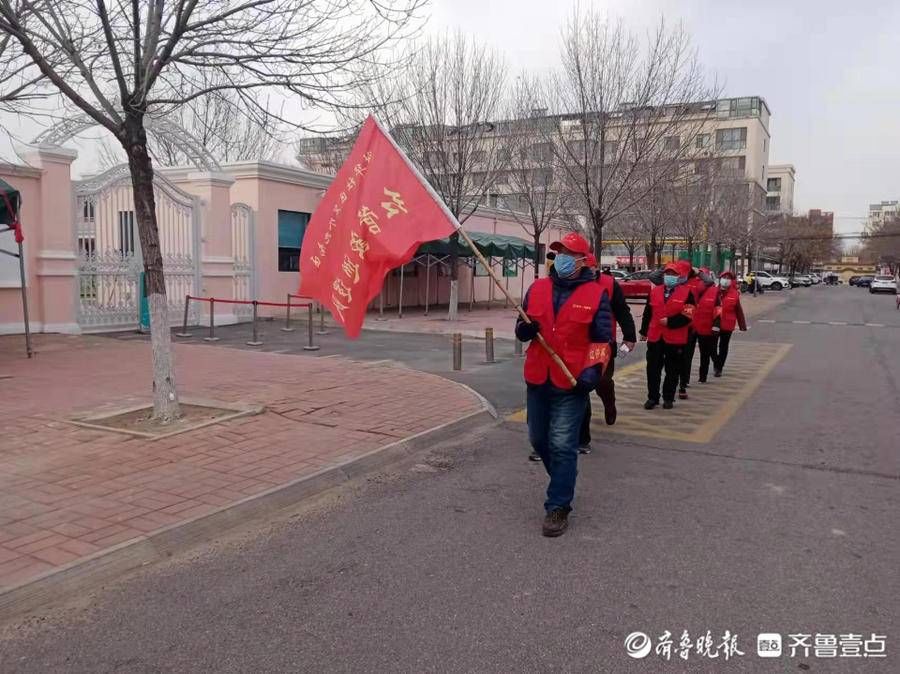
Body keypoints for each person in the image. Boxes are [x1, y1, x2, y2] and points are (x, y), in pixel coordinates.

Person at [516, 232, 613, 537]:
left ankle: (558, 505)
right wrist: (524, 330)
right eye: (558, 253)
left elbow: (602, 341)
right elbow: (520, 326)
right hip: (538, 377)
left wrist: (592, 373)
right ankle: (562, 478)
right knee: (538, 439)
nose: (562, 259)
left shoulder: (596, 295)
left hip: (571, 382)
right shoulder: (537, 288)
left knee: (562, 443)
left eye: (569, 253)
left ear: (583, 260)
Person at [577, 256, 637, 453]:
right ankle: (582, 437)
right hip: (577, 345)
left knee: (602, 382)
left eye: (590, 266)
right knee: (580, 389)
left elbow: (622, 312)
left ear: (596, 267)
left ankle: (609, 404)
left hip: (603, 344)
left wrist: (629, 336)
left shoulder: (610, 285)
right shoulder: (573, 283)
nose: (587, 270)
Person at [639, 260, 695, 410]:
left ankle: (668, 398)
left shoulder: (687, 293)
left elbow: (688, 315)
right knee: (652, 369)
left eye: (673, 274)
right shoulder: (655, 291)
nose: (669, 276)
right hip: (655, 336)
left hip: (675, 338)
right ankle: (652, 397)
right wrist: (643, 332)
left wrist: (670, 322)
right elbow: (647, 313)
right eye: (667, 274)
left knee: (672, 370)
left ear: (679, 277)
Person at [676, 266, 706, 400]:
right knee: (672, 359)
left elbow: (709, 282)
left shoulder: (697, 284)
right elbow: (653, 277)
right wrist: (668, 268)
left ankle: (683, 383)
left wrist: (697, 272)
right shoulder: (670, 286)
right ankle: (674, 382)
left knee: (686, 357)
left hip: (689, 326)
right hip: (671, 328)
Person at [713, 271, 747, 376]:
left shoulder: (734, 294)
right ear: (720, 278)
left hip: (728, 325)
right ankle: (716, 362)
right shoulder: (713, 291)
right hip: (714, 324)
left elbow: (738, 311)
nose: (726, 279)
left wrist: (742, 325)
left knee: (723, 346)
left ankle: (719, 367)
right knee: (712, 346)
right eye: (724, 277)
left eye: (728, 278)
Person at [692, 271, 722, 383]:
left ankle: (716, 367)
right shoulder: (692, 292)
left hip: (710, 328)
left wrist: (716, 326)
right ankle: (700, 377)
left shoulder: (714, 293)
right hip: (696, 328)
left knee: (710, 351)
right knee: (703, 353)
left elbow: (718, 311)